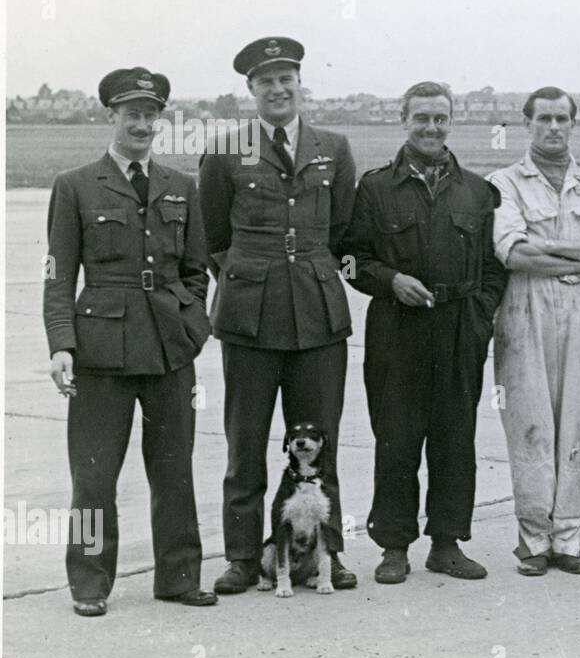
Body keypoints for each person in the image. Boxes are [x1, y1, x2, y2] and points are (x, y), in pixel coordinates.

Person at [43, 67, 217, 616]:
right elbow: (58, 275)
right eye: (131, 114)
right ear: (111, 116)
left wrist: (192, 325)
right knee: (93, 475)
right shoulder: (75, 184)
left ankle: (179, 578)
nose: (142, 124)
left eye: (150, 115)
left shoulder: (180, 185)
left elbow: (196, 270)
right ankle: (89, 582)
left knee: (174, 469)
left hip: (169, 348)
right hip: (101, 349)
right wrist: (61, 344)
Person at [198, 36, 358, 594]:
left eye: (286, 78)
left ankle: (329, 555)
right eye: (266, 81)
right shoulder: (225, 152)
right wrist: (249, 280)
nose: (278, 89)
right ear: (251, 89)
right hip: (249, 320)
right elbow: (213, 236)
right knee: (245, 446)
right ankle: (243, 557)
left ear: (299, 84)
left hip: (317, 316)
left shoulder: (333, 147)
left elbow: (342, 230)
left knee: (321, 446)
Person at [342, 82, 506, 583]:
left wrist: (479, 316)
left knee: (455, 438)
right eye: (421, 118)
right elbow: (349, 259)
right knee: (396, 437)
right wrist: (390, 281)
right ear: (404, 120)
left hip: (459, 328)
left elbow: (494, 267)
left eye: (440, 118)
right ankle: (394, 546)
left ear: (451, 121)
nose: (431, 127)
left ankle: (447, 543)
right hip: (397, 329)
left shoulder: (477, 190)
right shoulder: (375, 188)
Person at [488, 87, 580, 576]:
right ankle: (533, 540)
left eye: (561, 119)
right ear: (527, 123)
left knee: (578, 423)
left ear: (573, 124)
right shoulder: (505, 183)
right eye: (544, 119)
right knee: (529, 424)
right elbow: (513, 252)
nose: (553, 127)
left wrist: (548, 245)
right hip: (524, 309)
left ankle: (569, 538)